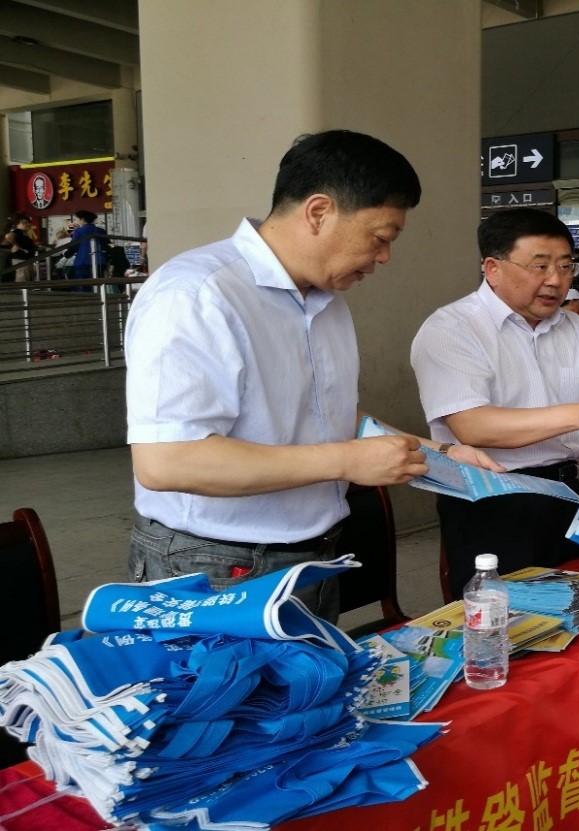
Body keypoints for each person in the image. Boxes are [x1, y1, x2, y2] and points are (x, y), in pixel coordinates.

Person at [125, 129, 499, 624]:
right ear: (319, 212)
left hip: (315, 554)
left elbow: (331, 416)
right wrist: (345, 460)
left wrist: (441, 454)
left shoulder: (327, 302)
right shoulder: (196, 295)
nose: (384, 257)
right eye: (380, 238)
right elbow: (167, 461)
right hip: (215, 564)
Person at [411, 207, 579, 599]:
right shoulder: (452, 329)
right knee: (502, 620)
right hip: (492, 500)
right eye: (540, 266)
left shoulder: (573, 329)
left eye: (566, 267)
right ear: (492, 268)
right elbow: (472, 425)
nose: (556, 280)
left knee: (577, 610)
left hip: (564, 492)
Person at [70, 210, 108, 283]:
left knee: (83, 285)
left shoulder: (78, 231)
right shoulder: (101, 231)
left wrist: (67, 254)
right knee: (99, 284)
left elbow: (73, 246)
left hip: (83, 261)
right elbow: (106, 245)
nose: (77, 221)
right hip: (100, 262)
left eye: (78, 219)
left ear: (82, 219)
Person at [8, 215, 38, 282]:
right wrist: (17, 245)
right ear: (17, 224)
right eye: (25, 223)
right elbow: (8, 236)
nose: (28, 224)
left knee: (28, 279)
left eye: (28, 222)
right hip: (21, 260)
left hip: (27, 260)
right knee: (22, 280)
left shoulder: (24, 234)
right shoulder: (18, 231)